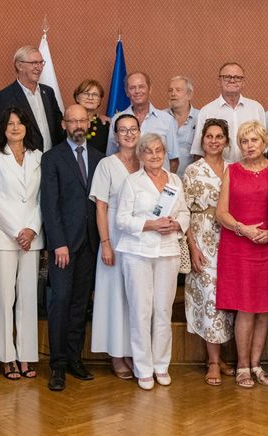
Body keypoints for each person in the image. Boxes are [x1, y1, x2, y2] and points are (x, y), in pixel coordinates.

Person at [114, 133, 190, 390]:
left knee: (163, 310)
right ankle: (143, 367)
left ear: (165, 153)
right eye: (149, 152)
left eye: (159, 151)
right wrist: (150, 224)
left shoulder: (175, 180)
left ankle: (161, 365)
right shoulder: (132, 182)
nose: (155, 156)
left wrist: (176, 224)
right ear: (141, 155)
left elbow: (184, 212)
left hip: (168, 252)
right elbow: (122, 220)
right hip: (138, 253)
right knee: (141, 311)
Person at [215, 121, 268, 388]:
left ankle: (257, 364)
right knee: (244, 309)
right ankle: (242, 366)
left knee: (264, 309)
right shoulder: (232, 170)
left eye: (254, 140)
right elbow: (220, 213)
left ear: (264, 142)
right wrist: (243, 229)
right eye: (244, 141)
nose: (249, 146)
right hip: (239, 246)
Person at [41, 105, 103, 391]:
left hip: (90, 245)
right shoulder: (52, 158)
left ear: (88, 123)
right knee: (60, 302)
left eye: (83, 120)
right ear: (64, 124)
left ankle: (75, 359)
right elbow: (49, 206)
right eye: (73, 120)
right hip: (64, 246)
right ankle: (57, 366)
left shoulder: (99, 158)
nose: (78, 125)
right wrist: (58, 244)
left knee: (80, 305)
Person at [0, 107, 44, 381]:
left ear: (27, 127)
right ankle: (7, 357)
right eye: (10, 123)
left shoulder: (38, 157)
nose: (15, 127)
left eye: (20, 123)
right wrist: (17, 230)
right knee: (5, 297)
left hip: (32, 236)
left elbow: (43, 198)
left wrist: (31, 229)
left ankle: (26, 354)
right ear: (3, 128)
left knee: (28, 298)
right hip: (5, 237)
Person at [182, 119, 236, 386]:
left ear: (227, 141)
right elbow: (184, 213)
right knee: (209, 299)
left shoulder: (233, 169)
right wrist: (192, 248)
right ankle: (212, 361)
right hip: (203, 240)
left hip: (231, 240)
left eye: (219, 136)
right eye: (209, 136)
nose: (214, 141)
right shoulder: (193, 171)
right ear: (202, 140)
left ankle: (222, 357)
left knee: (227, 300)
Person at [88, 114, 140, 380]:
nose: (128, 134)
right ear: (116, 135)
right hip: (114, 237)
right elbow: (100, 206)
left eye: (133, 129)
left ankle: (132, 351)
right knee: (114, 297)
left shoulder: (147, 162)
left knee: (134, 298)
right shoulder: (106, 165)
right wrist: (105, 244)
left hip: (141, 240)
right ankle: (115, 355)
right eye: (123, 130)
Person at [0, 45, 64, 151]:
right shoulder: (3, 98)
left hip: (51, 161)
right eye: (34, 63)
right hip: (23, 163)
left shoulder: (48, 92)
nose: (39, 68)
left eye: (41, 62)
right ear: (19, 65)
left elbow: (58, 128)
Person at [192, 62, 267, 162]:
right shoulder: (206, 111)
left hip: (251, 170)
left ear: (243, 82)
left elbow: (264, 148)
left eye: (237, 77)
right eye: (227, 77)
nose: (232, 80)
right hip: (219, 172)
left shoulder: (256, 108)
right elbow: (199, 152)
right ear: (219, 81)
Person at [107, 72, 176, 169]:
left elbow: (174, 160)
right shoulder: (117, 120)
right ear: (127, 92)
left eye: (141, 86)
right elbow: (111, 155)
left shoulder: (167, 120)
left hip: (157, 181)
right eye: (132, 88)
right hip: (125, 180)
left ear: (150, 89)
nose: (137, 91)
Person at [167, 75, 201, 173]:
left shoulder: (200, 117)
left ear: (189, 95)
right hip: (164, 179)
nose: (173, 93)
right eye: (170, 90)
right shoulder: (159, 118)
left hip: (192, 179)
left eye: (178, 90)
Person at [72, 79, 110, 154]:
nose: (90, 97)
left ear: (99, 101)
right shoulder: (68, 122)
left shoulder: (105, 124)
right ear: (77, 98)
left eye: (95, 94)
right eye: (86, 93)